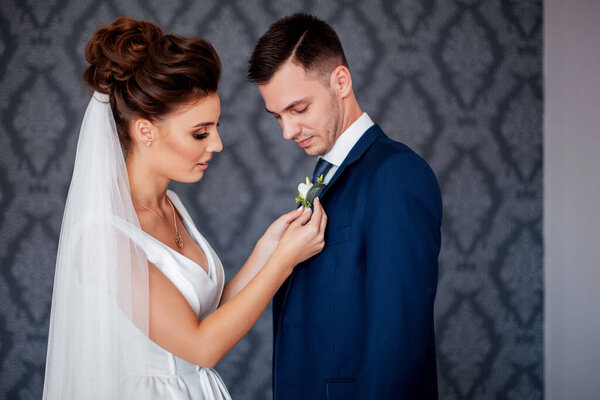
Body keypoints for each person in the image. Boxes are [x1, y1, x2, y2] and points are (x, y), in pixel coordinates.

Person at [42, 16, 327, 399]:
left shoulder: (170, 205)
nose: (217, 145)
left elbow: (208, 314)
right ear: (146, 131)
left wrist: (268, 248)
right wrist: (283, 264)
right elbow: (201, 346)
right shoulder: (104, 237)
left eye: (215, 127)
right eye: (200, 133)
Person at [248, 13, 442, 399]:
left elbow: (397, 337)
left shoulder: (396, 174)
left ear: (341, 81)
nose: (287, 131)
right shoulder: (327, 175)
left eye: (298, 109)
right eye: (277, 117)